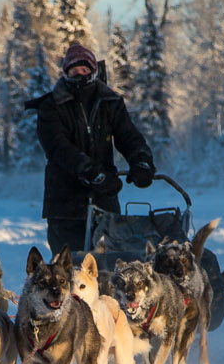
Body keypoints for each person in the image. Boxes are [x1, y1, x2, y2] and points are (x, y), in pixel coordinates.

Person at [26, 42, 155, 255]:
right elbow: (57, 147)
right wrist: (90, 171)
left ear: (94, 71)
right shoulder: (51, 105)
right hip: (65, 205)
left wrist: (141, 161)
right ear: (66, 73)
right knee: (72, 271)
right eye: (74, 71)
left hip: (104, 201)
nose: (80, 75)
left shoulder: (110, 102)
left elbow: (129, 136)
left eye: (85, 70)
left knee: (109, 265)